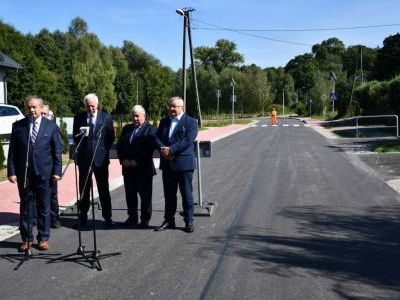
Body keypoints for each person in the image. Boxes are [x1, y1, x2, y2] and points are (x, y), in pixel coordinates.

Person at [7, 96, 63, 251]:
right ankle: (26, 239)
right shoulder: (19, 126)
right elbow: (13, 151)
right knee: (25, 207)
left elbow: (57, 151)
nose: (31, 110)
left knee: (44, 207)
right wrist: (11, 171)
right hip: (24, 173)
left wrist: (57, 171)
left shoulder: (51, 126)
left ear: (40, 108)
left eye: (34, 107)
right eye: (29, 107)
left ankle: (43, 238)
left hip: (44, 173)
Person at [155, 96, 198, 233]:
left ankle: (189, 220)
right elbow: (156, 137)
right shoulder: (164, 122)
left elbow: (188, 140)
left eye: (174, 106)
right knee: (169, 195)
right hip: (167, 164)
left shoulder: (191, 122)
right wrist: (162, 148)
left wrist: (171, 149)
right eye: (170, 106)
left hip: (184, 164)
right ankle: (169, 220)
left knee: (186, 194)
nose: (171, 108)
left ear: (182, 108)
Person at [73, 93, 115, 227]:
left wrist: (101, 150)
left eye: (92, 106)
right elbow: (75, 137)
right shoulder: (79, 118)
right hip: (84, 160)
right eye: (87, 106)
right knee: (84, 190)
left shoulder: (106, 117)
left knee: (103, 189)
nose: (90, 109)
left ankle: (108, 217)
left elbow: (110, 137)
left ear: (97, 105)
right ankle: (83, 217)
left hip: (100, 160)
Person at [117, 105, 156, 228]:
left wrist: (136, 161)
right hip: (128, 169)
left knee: (145, 196)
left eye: (137, 116)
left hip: (143, 169)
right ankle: (132, 217)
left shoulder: (151, 129)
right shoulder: (126, 129)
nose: (134, 118)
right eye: (133, 115)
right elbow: (120, 145)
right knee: (130, 194)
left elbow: (149, 148)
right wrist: (123, 160)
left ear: (144, 116)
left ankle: (145, 219)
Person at [42, 104, 61, 229]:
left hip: (50, 168)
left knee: (52, 195)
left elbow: (58, 149)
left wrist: (57, 170)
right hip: (37, 168)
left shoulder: (53, 128)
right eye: (42, 113)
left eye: (45, 114)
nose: (43, 116)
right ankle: (37, 219)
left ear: (50, 115)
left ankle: (54, 218)